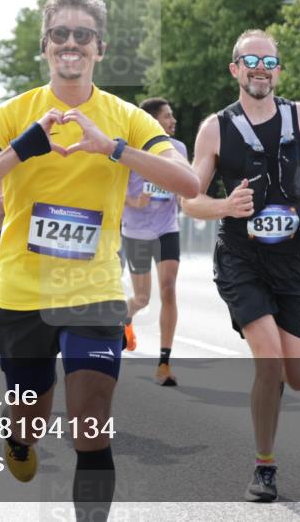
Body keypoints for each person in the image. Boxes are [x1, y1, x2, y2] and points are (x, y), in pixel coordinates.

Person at [0, 0, 198, 521]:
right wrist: (21, 149)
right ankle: (19, 437)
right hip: (23, 294)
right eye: (60, 33)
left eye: (83, 35)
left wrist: (113, 148)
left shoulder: (125, 117)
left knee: (91, 424)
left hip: (94, 292)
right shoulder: (12, 115)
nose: (71, 43)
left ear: (100, 48)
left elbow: (188, 183)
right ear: (45, 45)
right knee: (31, 414)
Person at [182, 29, 300, 503]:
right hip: (241, 258)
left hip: (291, 258)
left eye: (269, 62)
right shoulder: (215, 128)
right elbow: (190, 200)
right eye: (251, 61)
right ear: (235, 69)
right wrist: (225, 206)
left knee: (298, 375)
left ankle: (295, 357)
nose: (260, 69)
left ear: (278, 70)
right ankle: (265, 466)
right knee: (269, 361)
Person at [119, 97, 188, 387]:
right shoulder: (129, 149)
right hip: (136, 231)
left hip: (166, 228)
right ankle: (125, 316)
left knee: (168, 289)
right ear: (151, 120)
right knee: (142, 298)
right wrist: (133, 200)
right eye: (167, 116)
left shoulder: (178, 149)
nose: (173, 120)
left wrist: (184, 198)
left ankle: (164, 363)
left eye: (172, 115)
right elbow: (114, 188)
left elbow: (185, 183)